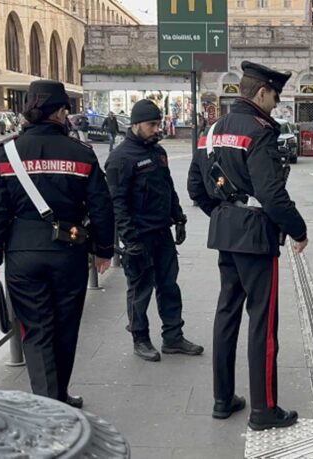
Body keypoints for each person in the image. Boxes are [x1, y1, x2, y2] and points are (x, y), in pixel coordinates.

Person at [187, 61, 308, 431]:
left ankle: (223, 399)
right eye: (275, 95)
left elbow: (195, 186)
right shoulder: (260, 131)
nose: (276, 102)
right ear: (261, 93)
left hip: (226, 231)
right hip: (256, 235)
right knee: (263, 322)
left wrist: (225, 214)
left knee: (226, 315)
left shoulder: (213, 129)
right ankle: (263, 410)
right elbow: (271, 193)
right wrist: (298, 230)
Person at [0, 80, 115, 409]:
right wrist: (104, 251)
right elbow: (101, 205)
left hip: (22, 253)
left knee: (36, 329)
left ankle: (49, 400)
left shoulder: (6, 153)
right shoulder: (80, 153)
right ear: (59, 112)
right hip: (67, 251)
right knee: (65, 327)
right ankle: (55, 403)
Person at [105, 99, 204, 362]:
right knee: (140, 291)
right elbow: (117, 203)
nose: (157, 128)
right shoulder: (120, 158)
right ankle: (140, 339)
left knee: (169, 286)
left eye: (158, 123)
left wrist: (179, 217)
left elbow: (167, 187)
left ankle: (173, 337)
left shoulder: (158, 152)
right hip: (139, 236)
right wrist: (129, 239)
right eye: (152, 124)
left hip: (161, 232)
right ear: (136, 125)